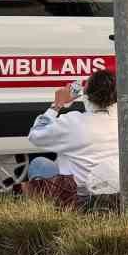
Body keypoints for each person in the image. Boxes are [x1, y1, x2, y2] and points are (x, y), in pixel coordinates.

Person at [26, 71, 119, 201]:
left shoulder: (73, 122)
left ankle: (46, 209)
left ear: (86, 95)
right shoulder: (124, 123)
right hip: (116, 193)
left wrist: (57, 104)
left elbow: (35, 135)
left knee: (39, 163)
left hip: (79, 197)